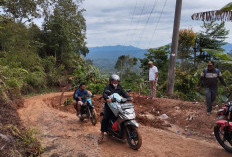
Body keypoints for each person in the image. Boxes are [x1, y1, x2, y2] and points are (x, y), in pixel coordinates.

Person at [98, 74, 131, 144]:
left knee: (122, 116)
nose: (115, 83)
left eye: (117, 82)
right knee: (105, 118)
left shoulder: (120, 87)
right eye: (114, 82)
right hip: (109, 105)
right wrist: (108, 99)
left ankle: (121, 132)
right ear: (111, 81)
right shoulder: (108, 87)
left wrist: (128, 97)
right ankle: (102, 134)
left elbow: (124, 93)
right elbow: (104, 94)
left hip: (118, 105)